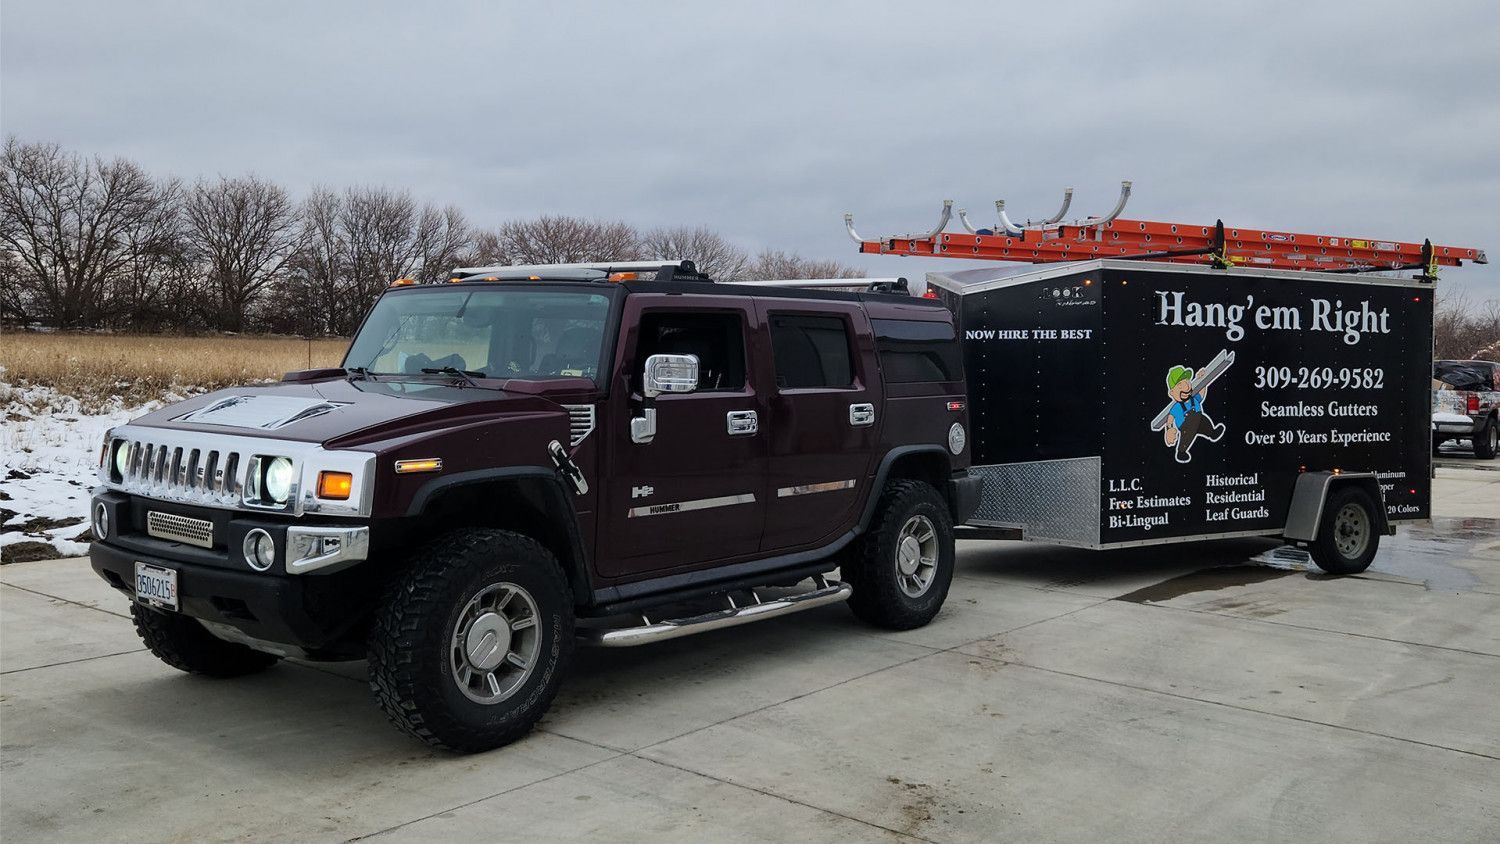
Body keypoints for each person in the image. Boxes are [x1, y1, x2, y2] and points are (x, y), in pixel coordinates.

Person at [1162, 364, 1225, 463]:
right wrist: (1169, 430)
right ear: (1172, 392)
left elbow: (1201, 393)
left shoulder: (1193, 399)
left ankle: (1212, 433)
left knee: (1203, 420)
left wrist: (1202, 379)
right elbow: (1170, 419)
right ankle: (1181, 452)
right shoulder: (1177, 407)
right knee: (1187, 436)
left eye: (1186, 381)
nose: (1186, 386)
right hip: (1185, 426)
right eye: (1179, 385)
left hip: (1199, 421)